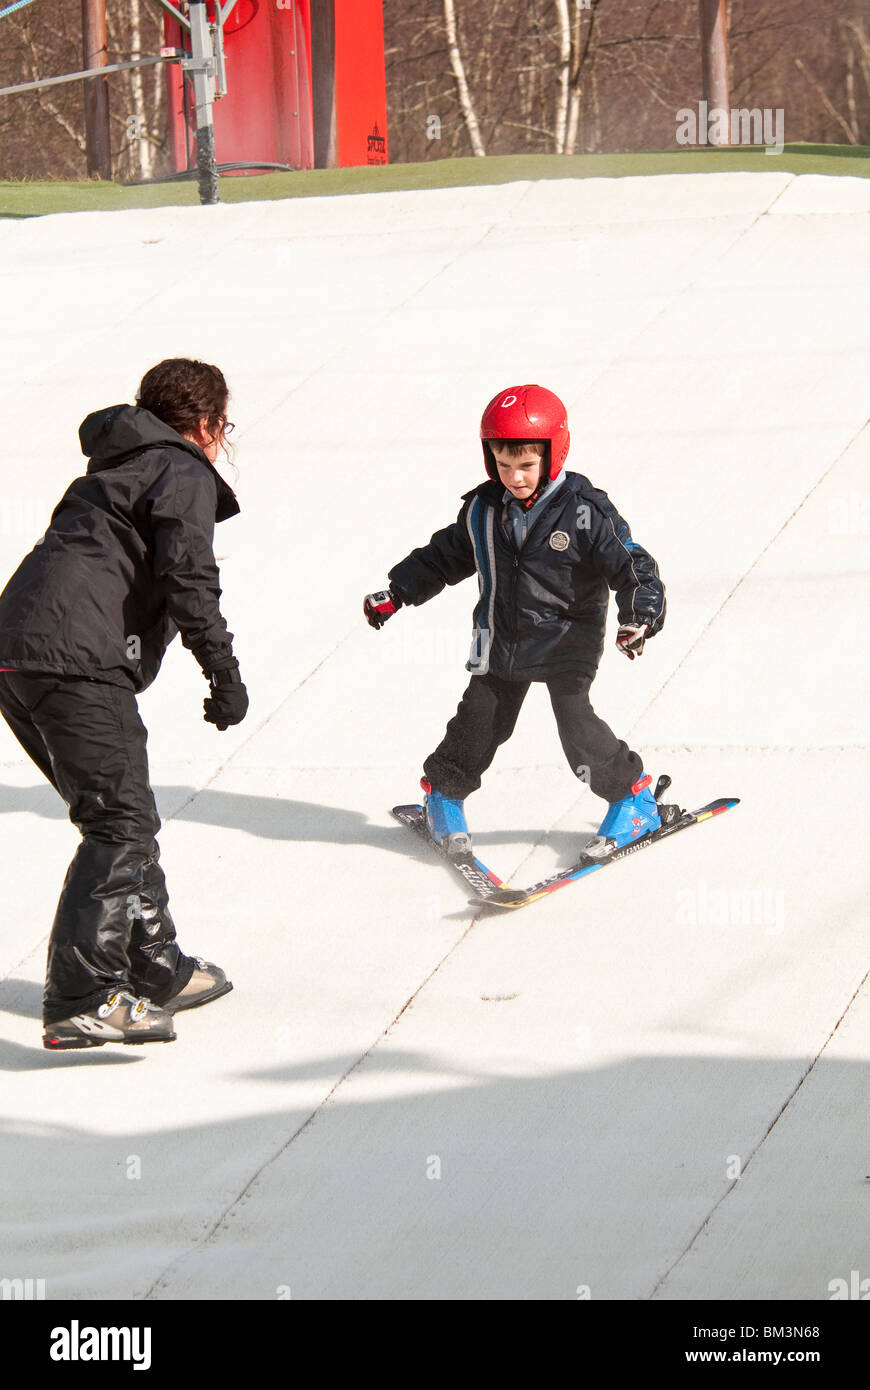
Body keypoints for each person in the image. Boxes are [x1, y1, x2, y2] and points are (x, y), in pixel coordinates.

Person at [0, 358, 248, 1050]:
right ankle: (83, 995)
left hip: (19, 651)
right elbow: (187, 574)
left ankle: (155, 964)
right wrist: (223, 671)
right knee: (121, 823)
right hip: (73, 658)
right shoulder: (182, 468)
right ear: (211, 425)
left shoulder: (118, 464)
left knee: (123, 813)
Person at [364, 383, 667, 858]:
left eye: (526, 465)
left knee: (578, 729)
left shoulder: (584, 511)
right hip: (500, 639)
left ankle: (634, 801)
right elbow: (442, 558)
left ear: (553, 454)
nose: (515, 477)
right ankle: (442, 797)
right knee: (479, 723)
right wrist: (397, 592)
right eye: (503, 465)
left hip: (567, 640)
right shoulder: (482, 510)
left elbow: (631, 565)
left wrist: (640, 617)